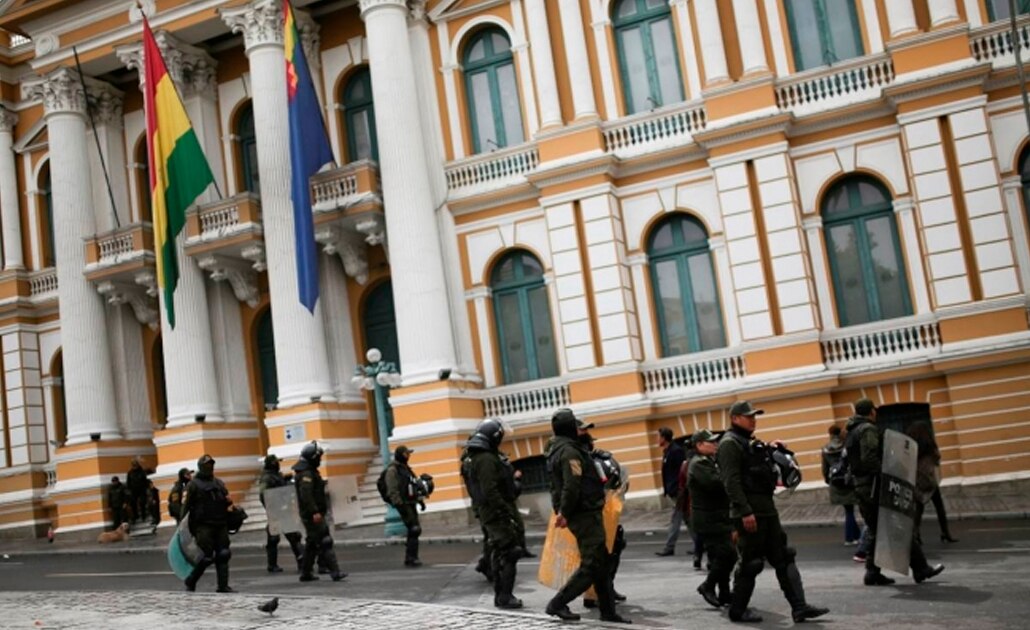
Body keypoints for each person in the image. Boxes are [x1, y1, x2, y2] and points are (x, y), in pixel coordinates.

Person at [718, 401, 829, 623]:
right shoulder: (729, 444)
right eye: (748, 416)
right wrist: (745, 511)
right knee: (752, 562)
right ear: (734, 419)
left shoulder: (747, 442)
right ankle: (737, 610)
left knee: (784, 557)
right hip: (750, 514)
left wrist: (771, 448)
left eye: (754, 416)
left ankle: (799, 607)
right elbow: (731, 482)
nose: (753, 419)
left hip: (767, 510)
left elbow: (755, 464)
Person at [543, 408, 630, 624]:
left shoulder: (560, 448)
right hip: (583, 513)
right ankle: (558, 603)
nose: (580, 430)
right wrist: (565, 511)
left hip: (585, 510)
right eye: (576, 426)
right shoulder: (569, 452)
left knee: (600, 561)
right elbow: (572, 486)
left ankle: (608, 611)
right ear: (570, 428)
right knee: (592, 564)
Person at [847, 398, 944, 587]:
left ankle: (873, 573)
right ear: (872, 412)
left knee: (878, 530)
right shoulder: (867, 430)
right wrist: (885, 476)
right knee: (900, 523)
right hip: (873, 486)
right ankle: (921, 568)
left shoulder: (851, 432)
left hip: (862, 487)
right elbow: (869, 459)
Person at [464, 418, 524, 609]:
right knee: (509, 551)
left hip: (493, 510)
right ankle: (504, 596)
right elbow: (490, 490)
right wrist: (505, 511)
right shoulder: (486, 459)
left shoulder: (483, 456)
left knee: (502, 550)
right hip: (494, 511)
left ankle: (503, 595)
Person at [582, 431, 629, 610]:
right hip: (593, 515)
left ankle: (607, 588)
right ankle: (593, 595)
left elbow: (615, 481)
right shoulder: (582, 462)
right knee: (598, 557)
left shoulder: (599, 459)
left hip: (608, 511)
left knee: (615, 548)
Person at [688, 429, 733, 609]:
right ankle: (707, 586)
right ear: (699, 445)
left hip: (716, 516)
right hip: (708, 518)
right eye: (711, 442)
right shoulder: (699, 464)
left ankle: (724, 592)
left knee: (718, 557)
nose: (715, 444)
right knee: (728, 554)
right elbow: (717, 484)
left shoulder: (707, 461)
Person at [181, 454, 235, 592]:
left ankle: (223, 586)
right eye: (207, 465)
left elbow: (227, 500)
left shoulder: (218, 483)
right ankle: (191, 580)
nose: (210, 467)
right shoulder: (193, 485)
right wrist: (183, 527)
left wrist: (229, 503)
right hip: (204, 526)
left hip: (220, 524)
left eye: (211, 464)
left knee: (223, 554)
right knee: (206, 557)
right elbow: (186, 507)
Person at [293, 441, 346, 582]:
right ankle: (335, 572)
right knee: (325, 540)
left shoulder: (309, 472)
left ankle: (306, 573)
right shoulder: (307, 474)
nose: (320, 460)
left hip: (313, 513)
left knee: (312, 544)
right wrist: (314, 511)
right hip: (312, 514)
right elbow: (306, 495)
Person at [909, 424, 958, 544]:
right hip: (929, 480)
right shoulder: (929, 446)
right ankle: (945, 533)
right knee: (939, 507)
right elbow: (937, 458)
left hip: (917, 480)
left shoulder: (912, 448)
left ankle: (916, 534)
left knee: (918, 509)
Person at [259, 454, 304, 573]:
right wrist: (271, 510)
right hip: (276, 512)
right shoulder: (266, 478)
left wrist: (285, 481)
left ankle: (301, 563)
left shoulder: (276, 476)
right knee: (275, 539)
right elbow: (264, 495)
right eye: (276, 462)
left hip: (284, 510)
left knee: (293, 537)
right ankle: (272, 564)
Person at [385, 445, 423, 567]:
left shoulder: (406, 469)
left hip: (411, 502)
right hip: (404, 503)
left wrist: (420, 500)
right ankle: (411, 557)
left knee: (415, 530)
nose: (408, 456)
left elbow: (413, 484)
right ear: (401, 455)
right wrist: (399, 503)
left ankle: (411, 556)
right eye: (406, 454)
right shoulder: (393, 470)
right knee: (413, 529)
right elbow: (392, 489)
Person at [821, 425, 860, 545]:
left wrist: (828, 479)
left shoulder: (826, 448)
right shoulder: (846, 446)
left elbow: (825, 467)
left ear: (830, 434)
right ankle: (850, 538)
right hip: (848, 479)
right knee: (850, 510)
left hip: (836, 480)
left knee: (848, 509)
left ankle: (855, 536)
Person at [655, 427, 686, 557]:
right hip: (674, 490)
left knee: (676, 519)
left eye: (658, 436)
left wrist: (680, 489)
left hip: (679, 491)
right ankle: (700, 544)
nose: (657, 439)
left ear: (663, 438)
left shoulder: (676, 451)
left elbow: (682, 471)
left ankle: (669, 547)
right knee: (688, 519)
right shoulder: (668, 451)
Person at [126, 458, 153, 524]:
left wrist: (147, 488)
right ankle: (135, 516)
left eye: (135, 465)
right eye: (133, 465)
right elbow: (128, 482)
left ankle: (143, 516)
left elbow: (145, 480)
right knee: (133, 504)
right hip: (133, 490)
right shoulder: (130, 473)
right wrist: (129, 490)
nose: (134, 466)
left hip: (142, 489)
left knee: (142, 502)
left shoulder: (142, 471)